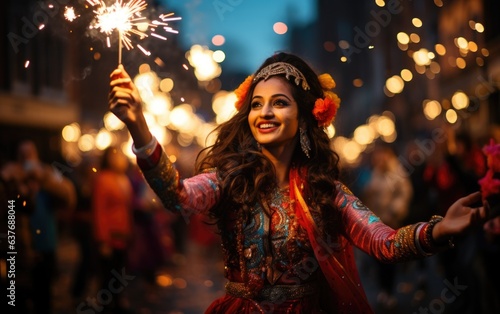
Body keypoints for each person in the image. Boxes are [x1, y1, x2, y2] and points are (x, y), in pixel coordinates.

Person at [108, 52, 494, 313]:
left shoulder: (326, 192)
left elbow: (385, 243)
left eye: (280, 102)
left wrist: (441, 228)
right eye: (257, 104)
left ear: (306, 116)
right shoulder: (230, 180)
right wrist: (139, 127)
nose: (265, 113)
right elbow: (177, 196)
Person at [1, 140, 76, 314]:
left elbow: (69, 197)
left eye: (30, 154)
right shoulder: (11, 175)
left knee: (44, 296)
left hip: (46, 244)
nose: (27, 158)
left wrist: (44, 178)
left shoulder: (47, 173)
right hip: (18, 249)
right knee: (16, 297)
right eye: (23, 154)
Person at [92, 146, 134, 313]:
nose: (120, 159)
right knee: (107, 275)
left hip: (123, 233)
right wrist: (103, 240)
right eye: (115, 156)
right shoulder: (104, 179)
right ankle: (106, 306)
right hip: (110, 235)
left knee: (119, 273)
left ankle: (117, 303)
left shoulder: (123, 178)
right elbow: (99, 210)